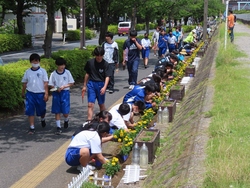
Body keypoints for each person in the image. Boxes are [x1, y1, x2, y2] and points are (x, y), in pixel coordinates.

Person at [82, 47, 112, 121]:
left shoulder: (106, 64)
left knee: (101, 104)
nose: (99, 57)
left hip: (101, 84)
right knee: (90, 104)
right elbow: (87, 74)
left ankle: (104, 119)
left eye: (100, 56)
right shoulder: (90, 62)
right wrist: (84, 86)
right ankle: (89, 121)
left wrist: (104, 87)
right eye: (97, 55)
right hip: (91, 84)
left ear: (103, 55)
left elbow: (107, 77)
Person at [21, 53, 49, 134]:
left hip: (40, 93)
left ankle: (42, 119)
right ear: (31, 62)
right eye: (33, 61)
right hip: (30, 94)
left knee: (41, 111)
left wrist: (46, 93)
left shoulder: (42, 71)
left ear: (39, 62)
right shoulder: (27, 72)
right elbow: (24, 83)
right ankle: (32, 127)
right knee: (30, 111)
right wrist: (23, 92)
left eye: (36, 61)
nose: (35, 63)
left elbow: (45, 83)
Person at [48, 57, 75, 135]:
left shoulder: (67, 72)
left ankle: (66, 119)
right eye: (60, 65)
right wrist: (56, 88)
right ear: (57, 65)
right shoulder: (53, 74)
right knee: (57, 111)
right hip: (56, 93)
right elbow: (50, 84)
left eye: (63, 65)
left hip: (65, 93)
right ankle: (58, 127)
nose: (62, 67)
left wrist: (64, 86)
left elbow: (71, 83)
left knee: (65, 111)